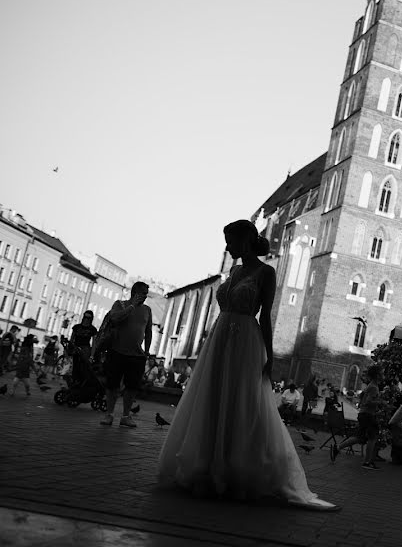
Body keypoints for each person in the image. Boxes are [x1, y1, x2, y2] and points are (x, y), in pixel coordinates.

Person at [158, 219, 337, 511]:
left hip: (245, 343)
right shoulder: (234, 270)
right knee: (214, 400)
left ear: (244, 241)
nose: (227, 248)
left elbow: (265, 316)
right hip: (219, 341)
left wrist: (270, 355)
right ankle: (206, 465)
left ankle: (236, 469)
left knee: (241, 402)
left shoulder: (266, 272)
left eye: (230, 242)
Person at [95, 282, 153, 428]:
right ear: (135, 292)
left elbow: (148, 331)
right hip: (117, 351)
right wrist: (132, 306)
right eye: (143, 293)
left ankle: (126, 416)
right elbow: (115, 319)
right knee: (112, 385)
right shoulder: (120, 304)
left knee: (132, 387)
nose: (145, 296)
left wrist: (146, 350)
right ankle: (109, 414)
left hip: (137, 355)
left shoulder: (147, 310)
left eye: (146, 293)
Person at [332, 365, 385, 470]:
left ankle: (338, 447)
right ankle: (367, 462)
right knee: (373, 437)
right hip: (368, 415)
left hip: (364, 414)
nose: (383, 375)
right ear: (377, 375)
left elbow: (363, 401)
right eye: (382, 373)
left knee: (359, 437)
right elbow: (368, 401)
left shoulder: (371, 385)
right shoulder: (374, 387)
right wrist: (381, 402)